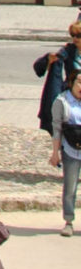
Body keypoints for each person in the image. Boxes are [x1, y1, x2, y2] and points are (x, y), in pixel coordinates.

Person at [49, 64, 81, 236]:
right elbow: (57, 130)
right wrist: (55, 153)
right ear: (72, 83)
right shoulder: (62, 102)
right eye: (80, 82)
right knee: (70, 187)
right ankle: (68, 220)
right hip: (70, 150)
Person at [34, 18, 81, 133]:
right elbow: (38, 67)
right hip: (73, 98)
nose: (74, 39)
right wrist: (48, 59)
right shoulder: (68, 51)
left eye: (78, 35)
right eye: (72, 35)